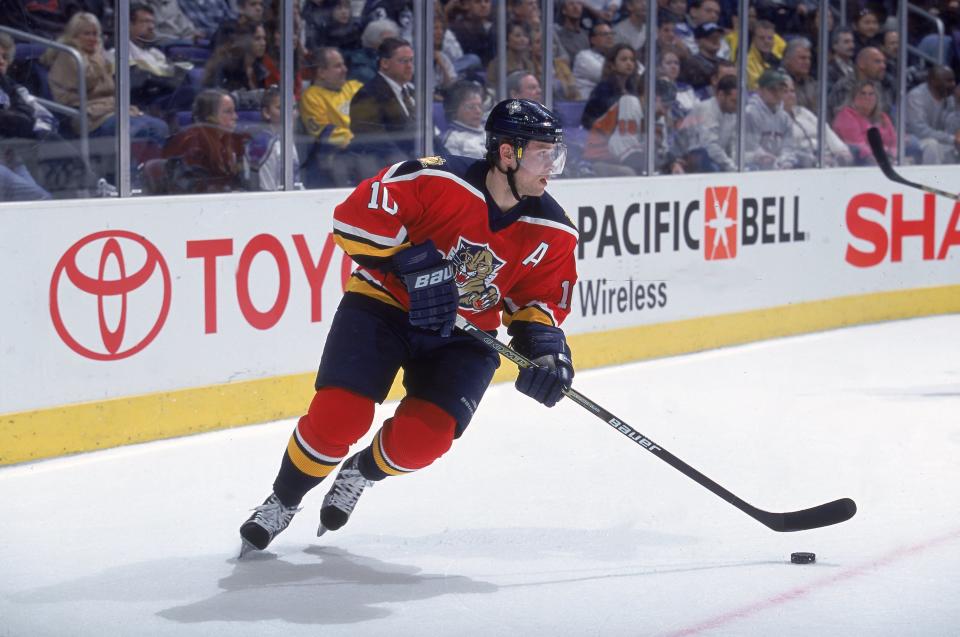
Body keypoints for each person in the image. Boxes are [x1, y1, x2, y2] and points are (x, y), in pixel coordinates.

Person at [237, 98, 578, 555]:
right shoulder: (433, 178)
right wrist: (414, 265)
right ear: (506, 152)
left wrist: (546, 351)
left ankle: (360, 471)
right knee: (339, 416)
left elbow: (538, 300)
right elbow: (353, 219)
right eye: (542, 153)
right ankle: (284, 498)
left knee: (425, 439)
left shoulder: (553, 228)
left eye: (556, 154)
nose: (551, 167)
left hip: (463, 336)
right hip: (384, 306)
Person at [349, 37, 417, 178]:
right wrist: (412, 168)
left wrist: (444, 161)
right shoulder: (367, 95)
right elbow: (376, 141)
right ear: (385, 63)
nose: (409, 66)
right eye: (404, 61)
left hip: (414, 168)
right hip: (387, 174)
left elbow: (429, 135)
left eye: (411, 60)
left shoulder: (412, 92)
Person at [160, 88, 249, 193]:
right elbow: (193, 189)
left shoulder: (231, 141)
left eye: (234, 111)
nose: (235, 117)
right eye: (228, 112)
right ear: (209, 117)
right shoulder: (191, 144)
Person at [782, 76, 852, 167]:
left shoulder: (803, 112)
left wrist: (841, 150)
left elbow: (825, 130)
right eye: (785, 92)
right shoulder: (777, 119)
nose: (791, 95)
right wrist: (818, 158)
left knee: (855, 151)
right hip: (807, 161)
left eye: (792, 91)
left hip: (828, 154)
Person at [680, 74, 738, 172]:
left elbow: (732, 145)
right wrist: (731, 166)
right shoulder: (706, 109)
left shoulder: (731, 113)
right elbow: (709, 145)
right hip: (687, 160)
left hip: (713, 160)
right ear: (721, 95)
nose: (737, 106)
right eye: (733, 101)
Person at [246, 87, 301, 190]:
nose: (291, 113)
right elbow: (267, 191)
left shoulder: (287, 139)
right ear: (266, 112)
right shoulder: (263, 143)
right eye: (281, 107)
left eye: (293, 107)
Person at [744, 68, 798, 171]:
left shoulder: (784, 117)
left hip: (776, 166)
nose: (777, 93)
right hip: (751, 165)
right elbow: (750, 147)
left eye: (780, 89)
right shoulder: (750, 113)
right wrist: (762, 157)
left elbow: (788, 147)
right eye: (772, 89)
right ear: (760, 90)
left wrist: (785, 161)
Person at [832, 78, 896, 165]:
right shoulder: (846, 116)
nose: (867, 97)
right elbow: (858, 147)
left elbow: (894, 142)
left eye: (871, 94)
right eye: (863, 94)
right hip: (858, 162)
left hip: (885, 160)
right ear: (853, 98)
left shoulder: (883, 117)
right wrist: (885, 152)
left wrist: (892, 154)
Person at [905, 65, 960, 165]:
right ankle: (932, 180)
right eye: (948, 81)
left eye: (953, 80)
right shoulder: (916, 96)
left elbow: (953, 129)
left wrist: (958, 103)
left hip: (939, 141)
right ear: (934, 81)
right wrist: (952, 139)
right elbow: (919, 130)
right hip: (912, 141)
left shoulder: (949, 98)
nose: (953, 84)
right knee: (932, 146)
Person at [438, 80, 486, 158]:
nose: (478, 111)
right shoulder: (452, 139)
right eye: (471, 107)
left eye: (480, 106)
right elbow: (454, 167)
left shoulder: (490, 130)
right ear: (454, 109)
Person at [573, 21, 616, 100]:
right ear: (593, 40)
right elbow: (608, 77)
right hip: (586, 104)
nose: (609, 37)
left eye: (611, 34)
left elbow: (641, 76)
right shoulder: (584, 56)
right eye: (605, 34)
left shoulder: (618, 55)